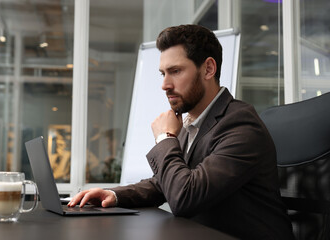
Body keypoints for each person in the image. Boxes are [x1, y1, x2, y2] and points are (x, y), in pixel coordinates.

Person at [68, 24, 295, 239]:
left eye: (175, 71)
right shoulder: (193, 121)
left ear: (208, 68)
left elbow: (185, 196)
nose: (165, 84)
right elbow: (164, 183)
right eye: (162, 73)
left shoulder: (240, 124)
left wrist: (164, 137)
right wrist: (115, 195)